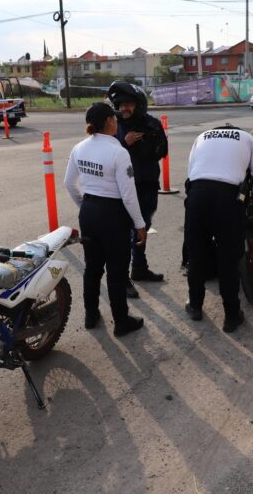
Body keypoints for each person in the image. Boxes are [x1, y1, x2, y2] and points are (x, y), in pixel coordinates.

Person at [64, 102, 147, 337]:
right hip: (113, 215)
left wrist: (85, 206)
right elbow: (128, 195)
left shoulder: (79, 147)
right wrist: (140, 224)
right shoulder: (118, 152)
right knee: (117, 270)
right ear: (109, 121)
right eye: (115, 117)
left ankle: (91, 315)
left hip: (89, 211)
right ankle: (121, 321)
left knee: (92, 267)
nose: (118, 121)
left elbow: (68, 184)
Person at [184, 124, 253, 333]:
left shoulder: (202, 135)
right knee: (228, 260)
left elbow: (191, 171)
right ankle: (231, 317)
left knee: (196, 255)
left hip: (197, 196)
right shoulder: (247, 138)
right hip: (228, 198)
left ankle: (195, 306)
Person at [107, 82, 168, 298]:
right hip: (124, 188)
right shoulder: (113, 127)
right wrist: (125, 144)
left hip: (148, 185)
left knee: (143, 228)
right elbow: (108, 157)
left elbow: (163, 150)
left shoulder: (152, 123)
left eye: (129, 103)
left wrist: (149, 144)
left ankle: (139, 268)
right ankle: (123, 280)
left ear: (138, 104)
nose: (124, 108)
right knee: (124, 233)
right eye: (121, 104)